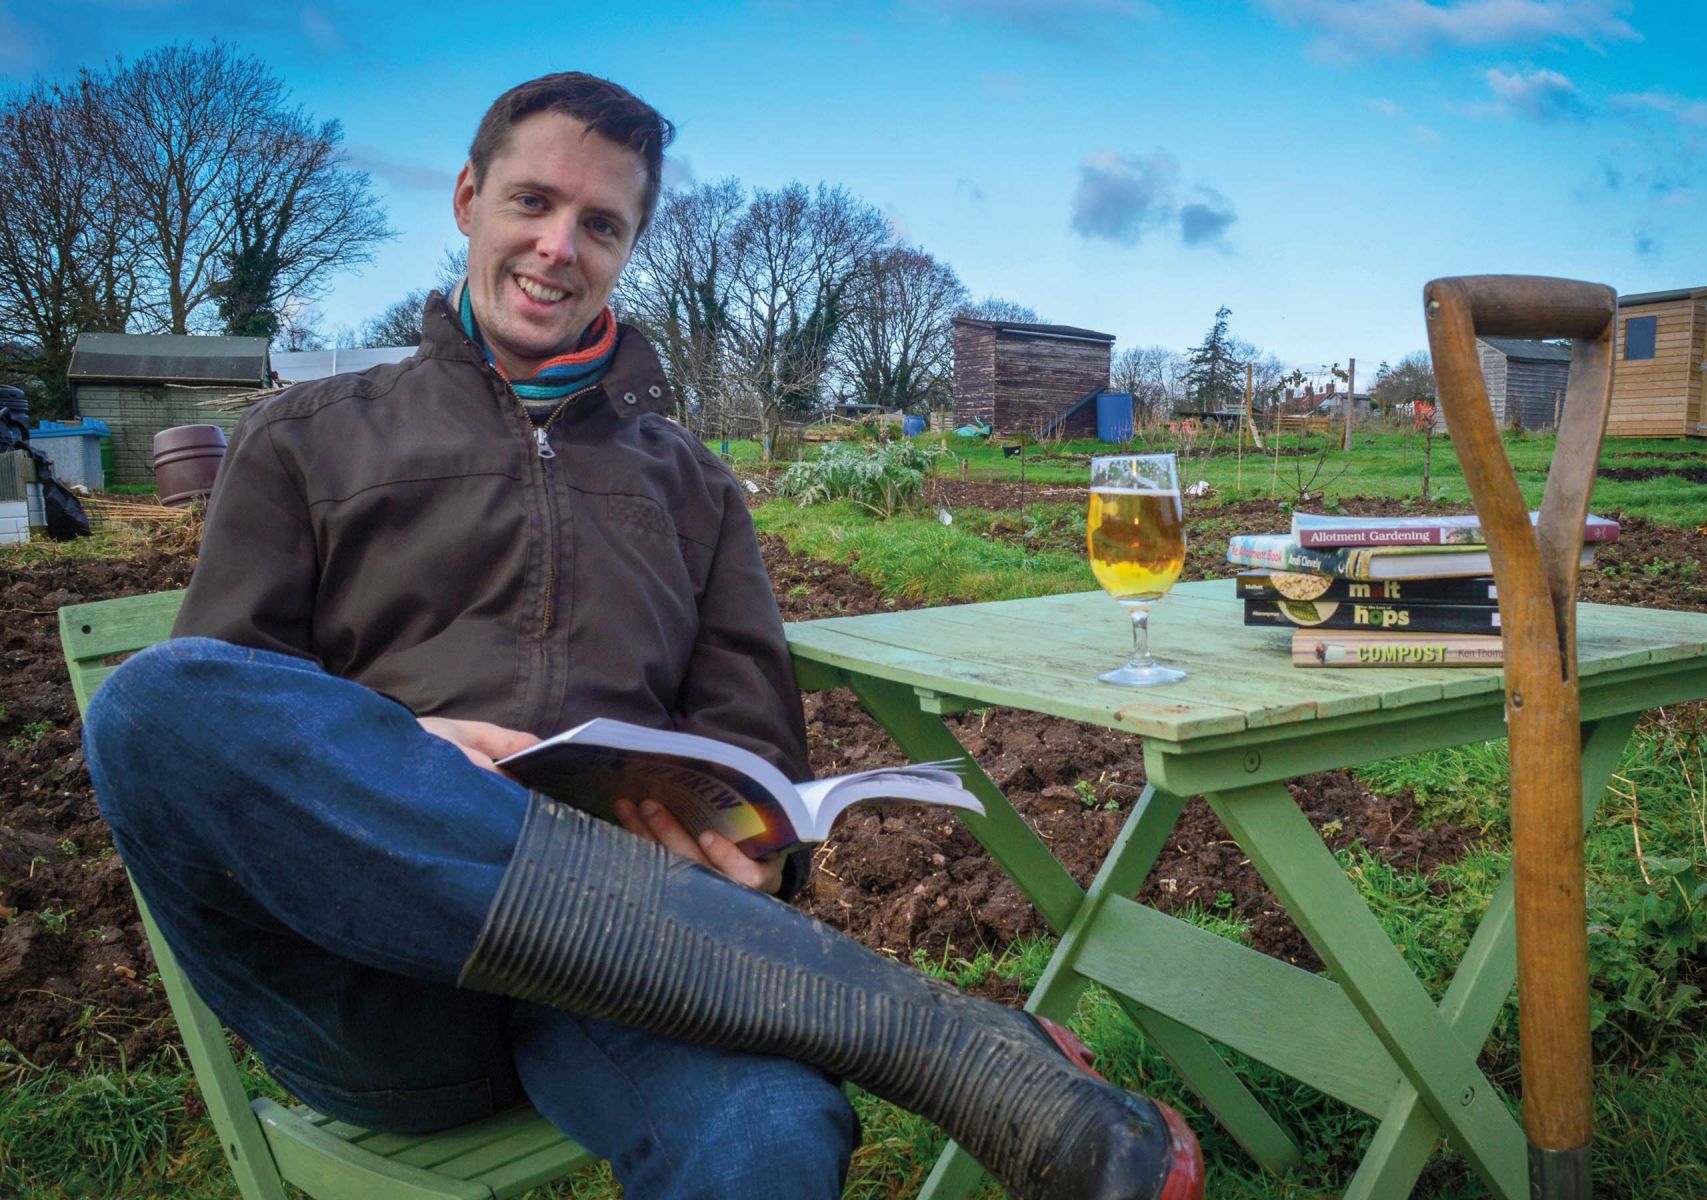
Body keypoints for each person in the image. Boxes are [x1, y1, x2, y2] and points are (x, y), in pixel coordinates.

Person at [82, 73, 1204, 1200]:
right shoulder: (303, 440)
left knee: (769, 1127)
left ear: (630, 248)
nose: (559, 246)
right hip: (375, 994)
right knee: (153, 705)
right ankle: (915, 1031)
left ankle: (878, 1027)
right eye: (531, 202)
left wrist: (754, 850)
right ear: (468, 199)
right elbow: (231, 726)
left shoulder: (693, 485)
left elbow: (751, 735)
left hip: (635, 978)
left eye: (601, 225)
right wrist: (414, 744)